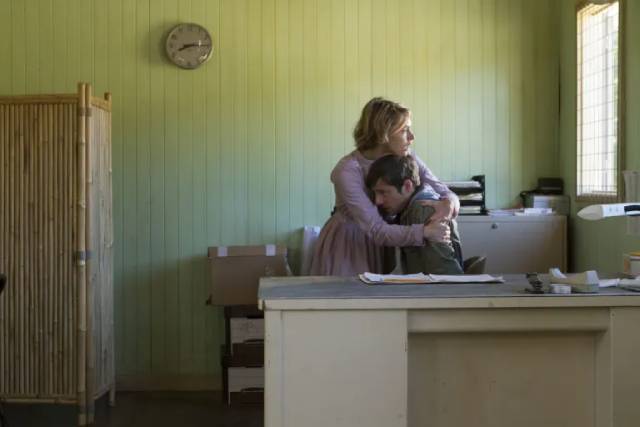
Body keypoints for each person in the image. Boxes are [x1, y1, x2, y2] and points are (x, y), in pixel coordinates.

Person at [310, 97, 459, 276]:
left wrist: (449, 204)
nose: (412, 137)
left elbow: (443, 190)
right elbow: (376, 230)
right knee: (351, 300)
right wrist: (424, 232)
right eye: (405, 130)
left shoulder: (405, 156)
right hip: (350, 245)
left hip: (384, 241)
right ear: (384, 133)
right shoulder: (347, 171)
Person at [366, 154, 463, 274]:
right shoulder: (407, 208)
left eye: (383, 192)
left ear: (407, 186)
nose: (377, 201)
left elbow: (446, 274)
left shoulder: (423, 210)